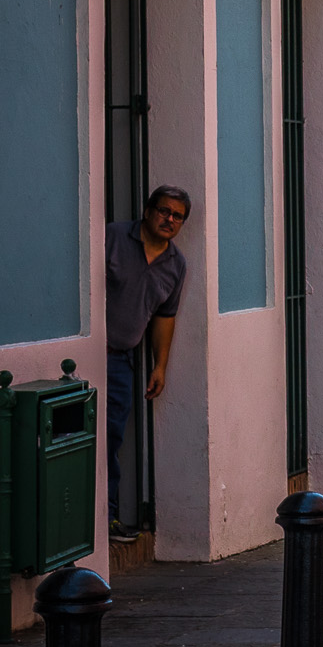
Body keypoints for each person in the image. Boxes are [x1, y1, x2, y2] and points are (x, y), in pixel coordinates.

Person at [107, 186, 190, 536]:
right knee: (73, 438)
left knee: (111, 438)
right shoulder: (111, 236)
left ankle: (105, 518)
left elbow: (164, 317)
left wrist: (160, 366)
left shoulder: (176, 264)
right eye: (163, 210)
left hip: (120, 362)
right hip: (80, 359)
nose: (168, 219)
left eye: (177, 216)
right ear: (147, 209)